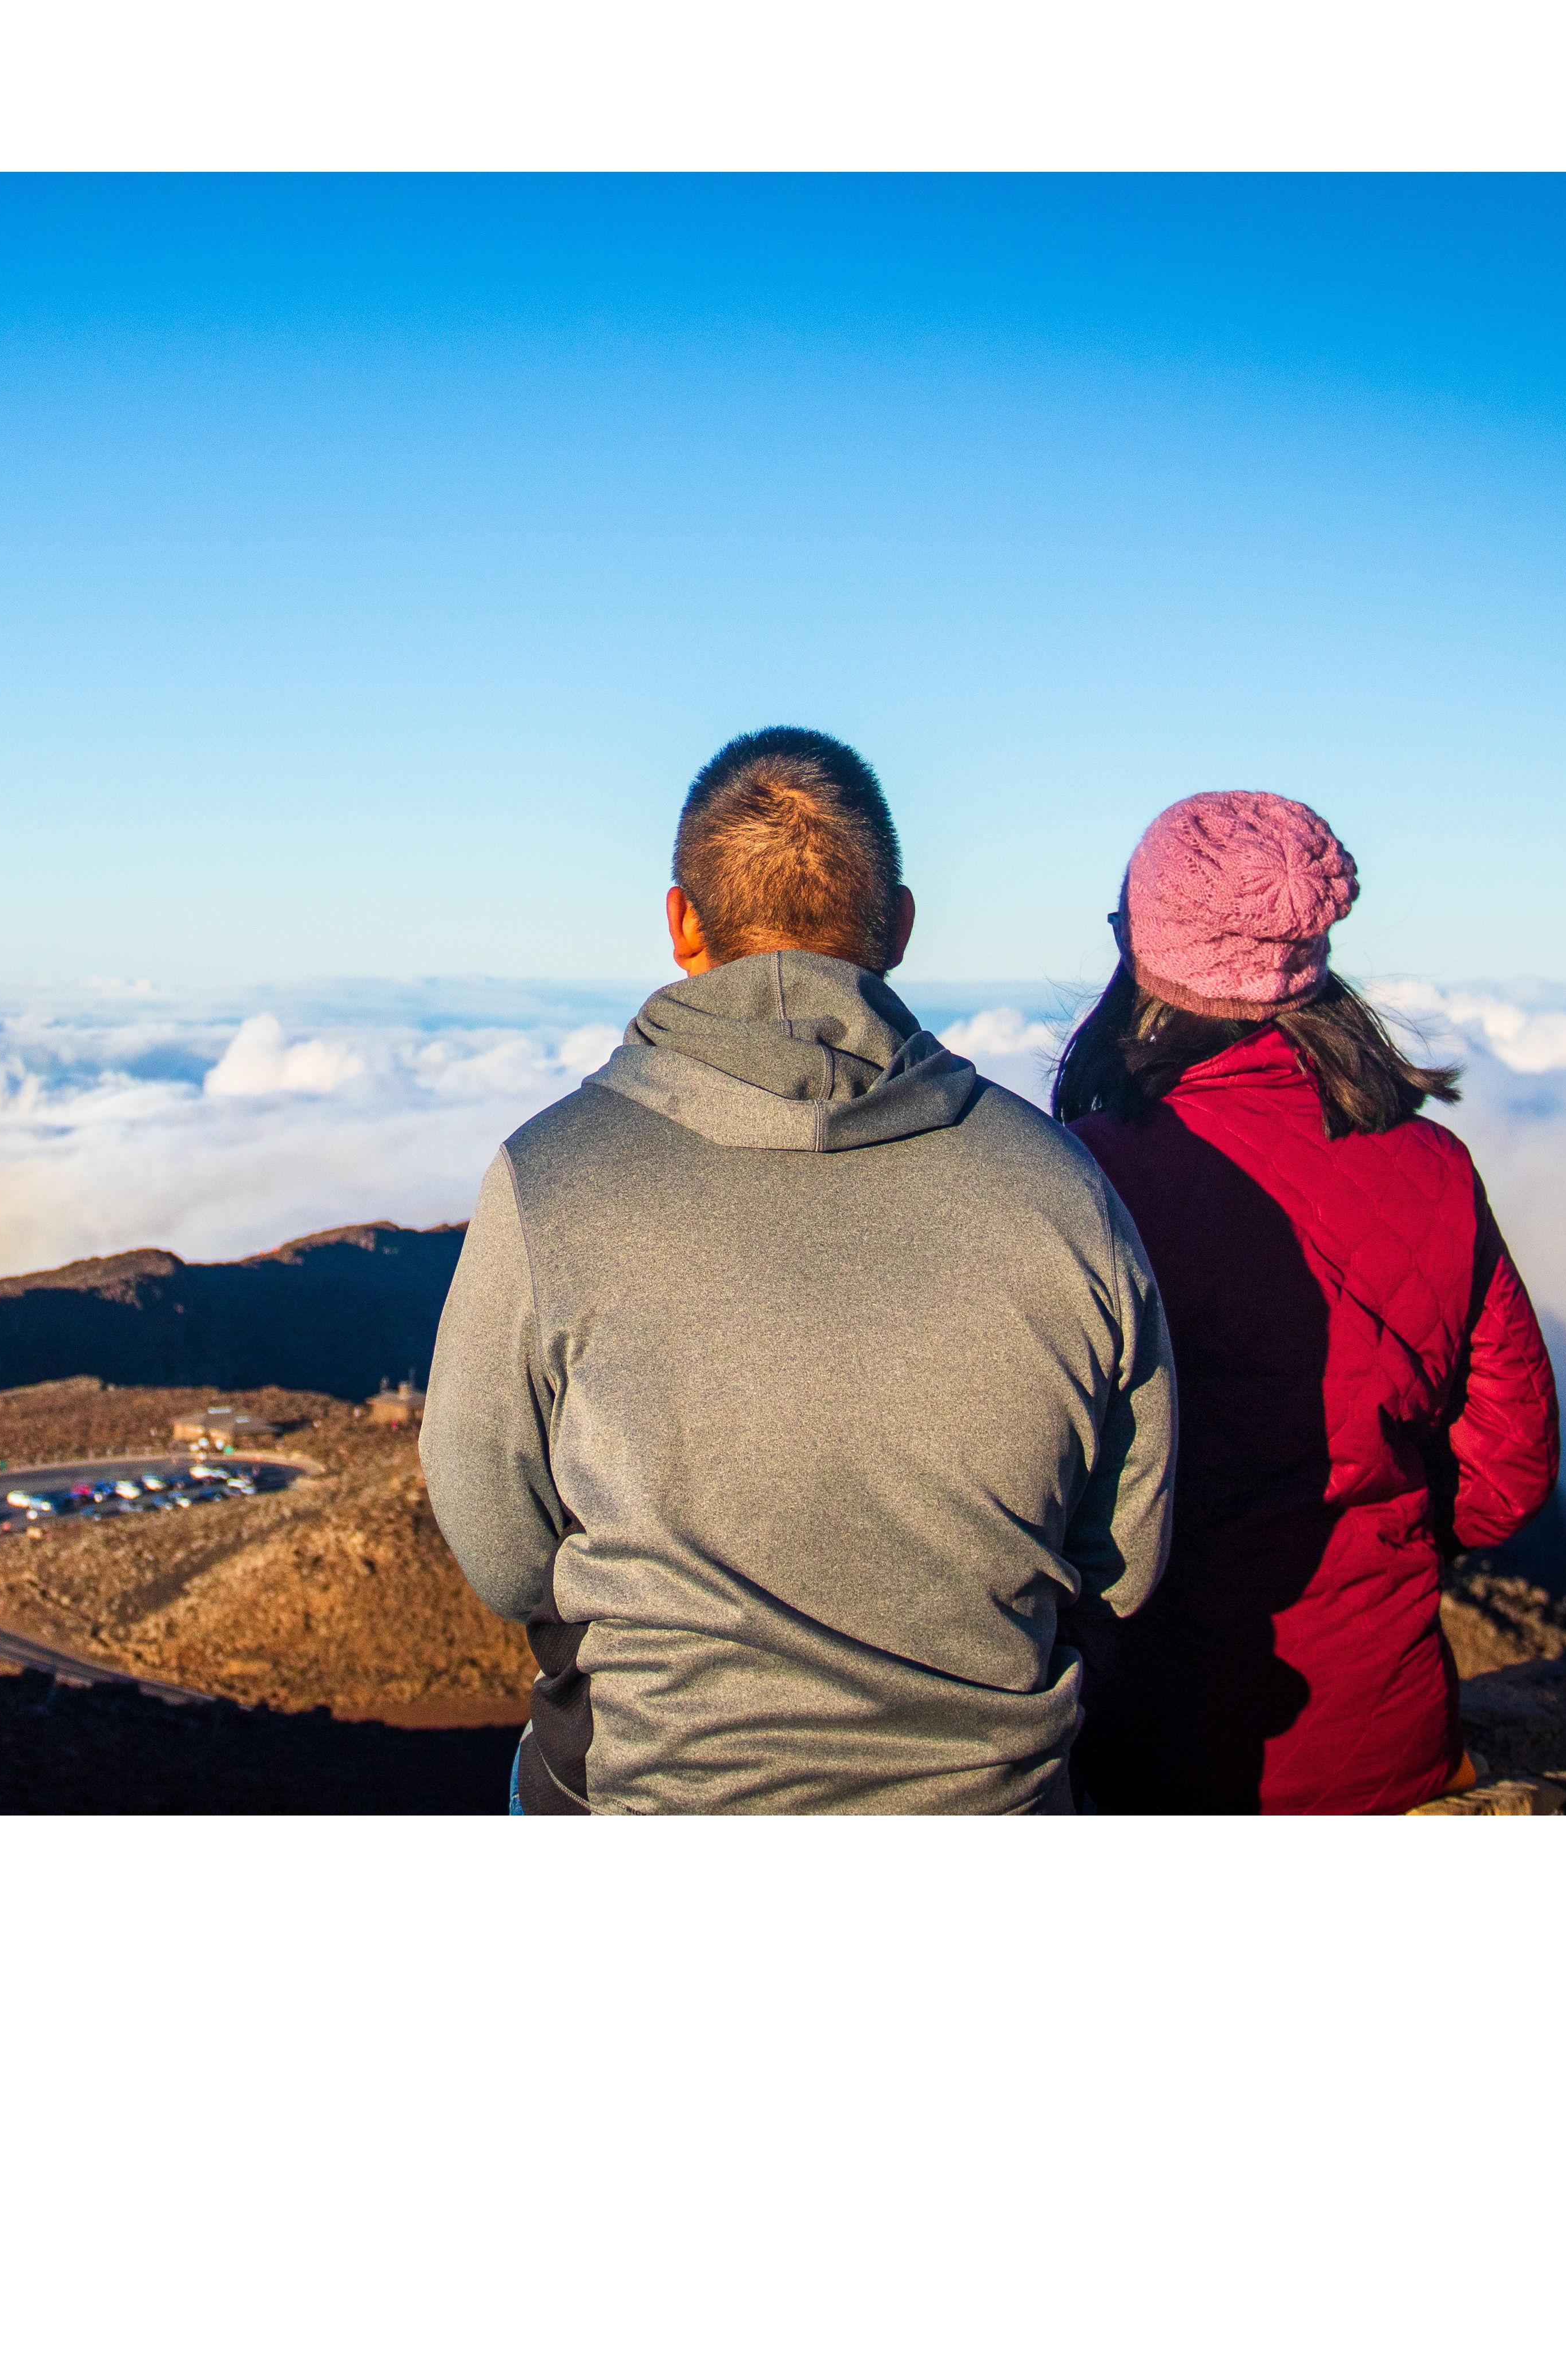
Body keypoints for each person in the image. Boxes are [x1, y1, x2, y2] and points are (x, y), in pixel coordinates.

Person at [422, 727, 1175, 1814]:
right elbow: (1124, 1561)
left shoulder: (549, 1178)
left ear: (681, 922)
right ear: (901, 924)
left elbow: (501, 1546)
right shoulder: (1061, 1191)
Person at [1052, 790, 1560, 1816]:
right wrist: (1383, 1533)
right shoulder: (1435, 1169)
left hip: (1147, 1746)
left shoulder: (1079, 1184)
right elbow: (1509, 1476)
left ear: (1145, 953)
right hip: (1386, 1740)